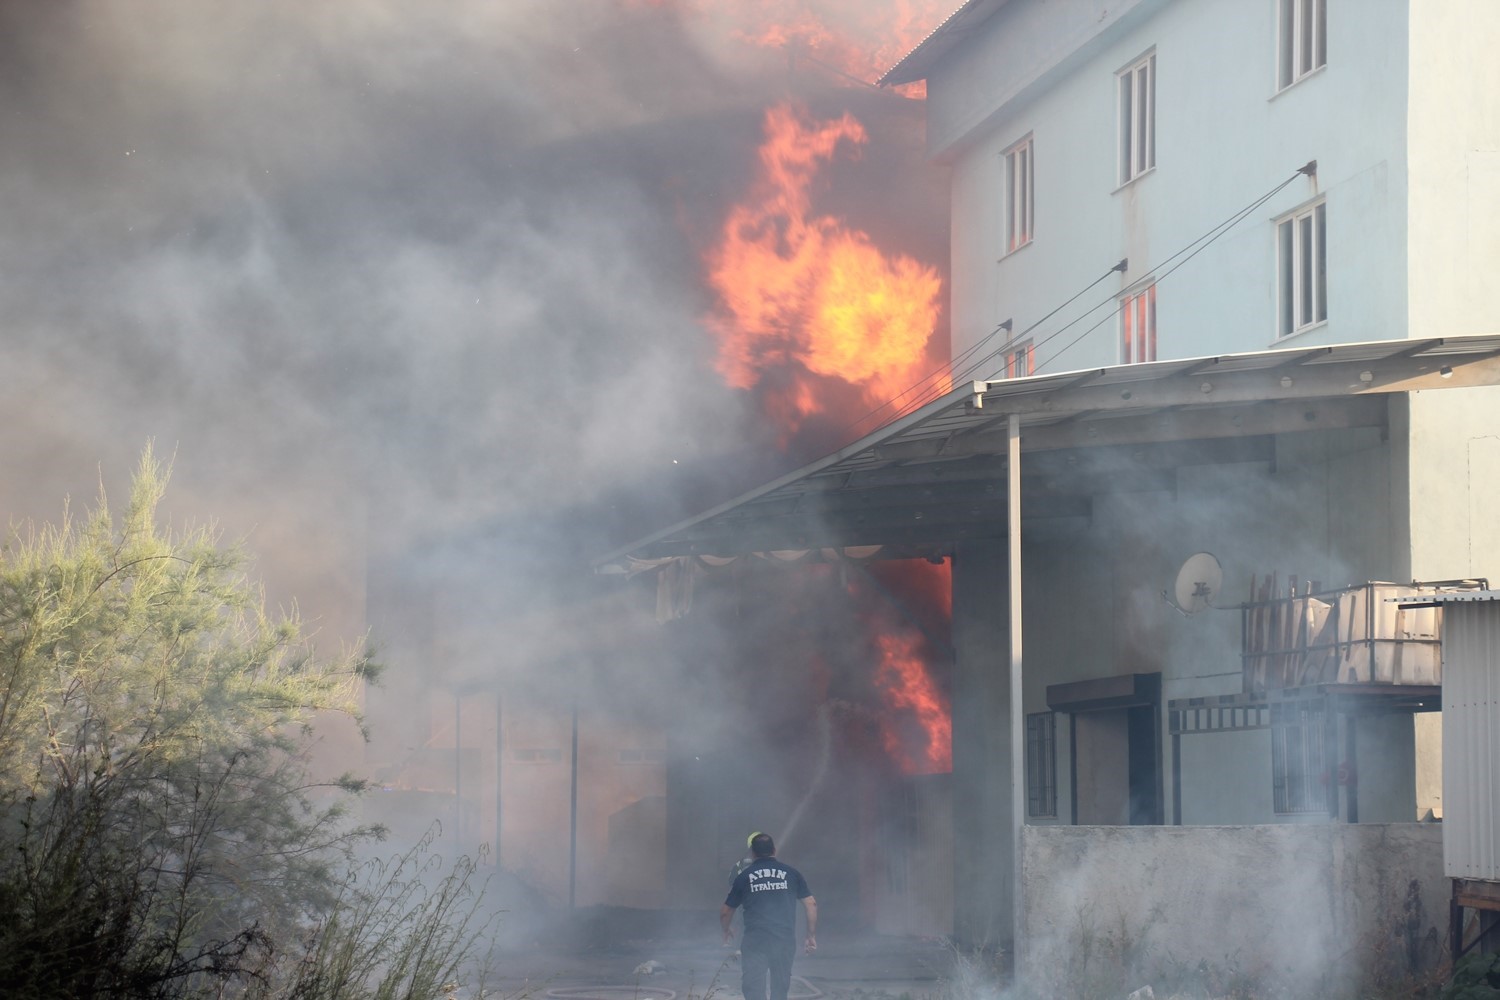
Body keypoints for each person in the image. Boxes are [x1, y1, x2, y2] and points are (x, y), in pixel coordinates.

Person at [721, 832, 817, 1000]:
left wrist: (726, 930)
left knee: (753, 989)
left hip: (755, 941)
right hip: (784, 940)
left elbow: (726, 911)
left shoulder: (744, 876)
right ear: (774, 850)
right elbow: (811, 904)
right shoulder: (792, 873)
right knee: (780, 989)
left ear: (752, 853)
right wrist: (811, 935)